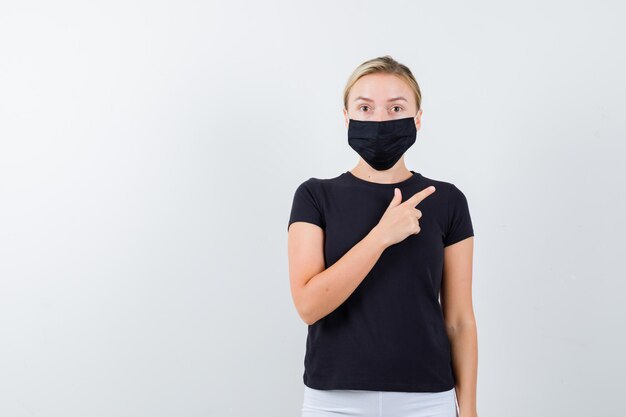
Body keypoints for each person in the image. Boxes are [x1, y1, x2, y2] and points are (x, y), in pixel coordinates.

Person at [287, 55, 478, 417]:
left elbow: (459, 320)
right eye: (365, 107)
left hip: (427, 399)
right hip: (335, 400)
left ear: (417, 119)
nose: (379, 120)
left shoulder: (447, 200)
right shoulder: (315, 196)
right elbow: (309, 305)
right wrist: (381, 236)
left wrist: (467, 410)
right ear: (346, 117)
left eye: (395, 108)